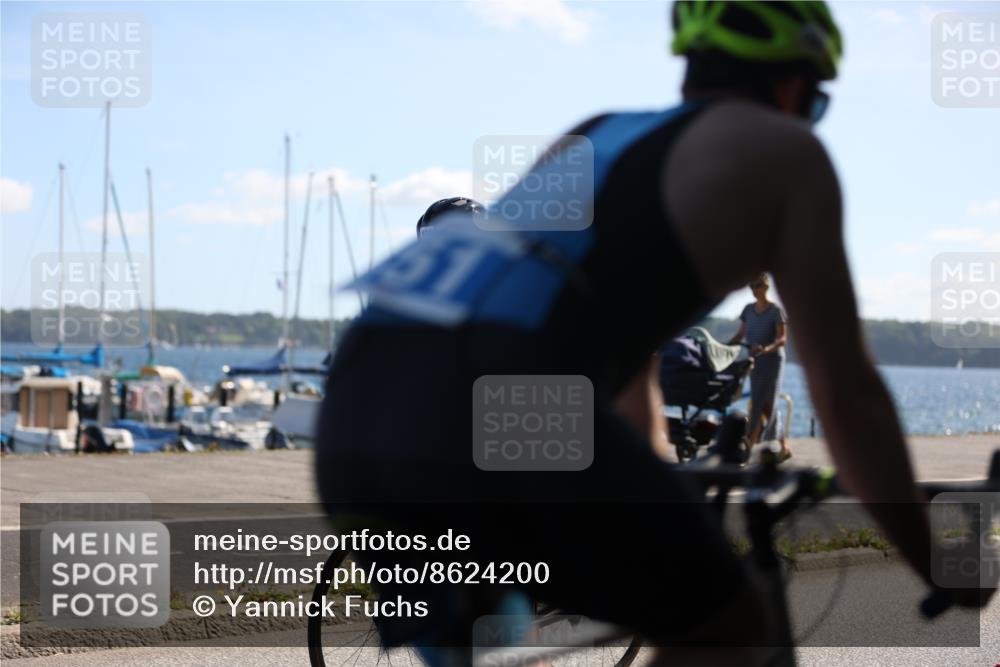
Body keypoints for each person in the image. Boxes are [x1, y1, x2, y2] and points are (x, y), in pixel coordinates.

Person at [317, 2, 993, 664]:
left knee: (494, 625)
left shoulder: (600, 130)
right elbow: (847, 394)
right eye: (816, 103)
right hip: (503, 405)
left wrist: (657, 471)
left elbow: (611, 336)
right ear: (793, 84)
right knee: (731, 623)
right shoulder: (788, 153)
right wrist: (936, 561)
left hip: (359, 402)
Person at [728, 273, 788, 454]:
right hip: (754, 361)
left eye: (758, 286)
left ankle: (749, 445)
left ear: (766, 286)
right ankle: (784, 446)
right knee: (766, 404)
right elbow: (740, 335)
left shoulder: (776, 310)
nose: (755, 290)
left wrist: (767, 348)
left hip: (772, 360)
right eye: (752, 286)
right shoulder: (748, 309)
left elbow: (782, 339)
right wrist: (724, 347)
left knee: (760, 401)